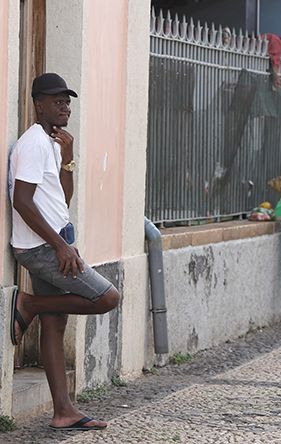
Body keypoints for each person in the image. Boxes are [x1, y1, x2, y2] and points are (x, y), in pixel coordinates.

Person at [9, 73, 121, 430]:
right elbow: (21, 201)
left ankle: (63, 411)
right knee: (107, 298)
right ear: (38, 104)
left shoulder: (52, 143)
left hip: (54, 245)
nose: (65, 107)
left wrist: (68, 158)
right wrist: (60, 246)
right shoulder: (32, 144)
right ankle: (27, 305)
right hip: (43, 249)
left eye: (67, 101)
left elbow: (62, 198)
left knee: (54, 326)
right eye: (57, 101)